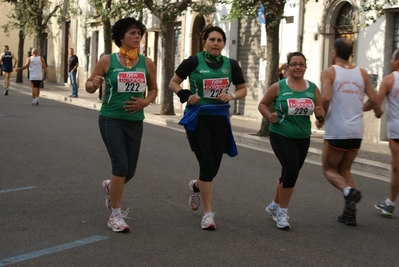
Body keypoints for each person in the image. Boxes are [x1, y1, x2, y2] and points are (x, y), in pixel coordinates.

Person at [169, 25, 247, 230]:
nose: (215, 43)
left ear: (223, 43)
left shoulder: (231, 64)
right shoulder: (193, 61)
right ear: (204, 42)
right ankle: (208, 214)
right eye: (212, 39)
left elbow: (243, 88)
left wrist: (232, 95)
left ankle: (196, 186)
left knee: (213, 168)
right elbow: (174, 83)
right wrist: (186, 95)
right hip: (198, 117)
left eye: (219, 40)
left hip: (220, 118)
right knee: (208, 161)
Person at [85, 17, 158, 233]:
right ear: (121, 37)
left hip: (135, 121)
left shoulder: (147, 62)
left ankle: (110, 186)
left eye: (139, 33)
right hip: (111, 118)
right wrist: (93, 83)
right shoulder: (107, 60)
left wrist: (145, 101)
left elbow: (154, 89)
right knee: (120, 165)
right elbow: (90, 85)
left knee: (130, 171)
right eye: (132, 33)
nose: (137, 37)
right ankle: (115, 215)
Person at [258, 52, 325, 230]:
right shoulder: (279, 87)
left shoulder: (312, 88)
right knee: (292, 171)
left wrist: (320, 118)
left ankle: (273, 206)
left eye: (301, 64)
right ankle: (282, 212)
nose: (297, 67)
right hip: (280, 133)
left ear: (305, 67)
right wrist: (268, 116)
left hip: (303, 136)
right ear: (287, 67)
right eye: (294, 64)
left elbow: (320, 114)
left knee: (288, 173)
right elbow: (263, 104)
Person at [319, 38, 377, 226]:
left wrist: (321, 118)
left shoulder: (329, 72)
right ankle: (349, 214)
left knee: (329, 170)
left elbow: (326, 97)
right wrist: (361, 109)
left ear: (334, 53)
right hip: (356, 130)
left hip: (337, 129)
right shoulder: (362, 73)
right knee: (345, 169)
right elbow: (375, 99)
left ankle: (348, 192)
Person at [373, 48, 399, 217]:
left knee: (397, 168)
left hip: (396, 132)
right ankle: (389, 202)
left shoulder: (389, 80)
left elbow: (377, 101)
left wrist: (377, 111)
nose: (390, 61)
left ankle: (390, 203)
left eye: (392, 58)